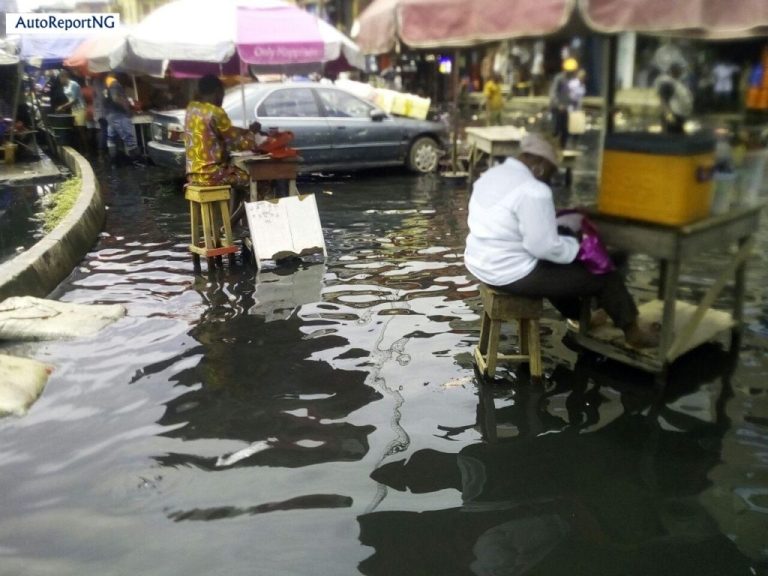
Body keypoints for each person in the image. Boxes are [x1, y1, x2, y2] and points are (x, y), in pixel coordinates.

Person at [464, 132, 659, 349]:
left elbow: (510, 217)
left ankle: (580, 316)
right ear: (540, 164)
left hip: (481, 263)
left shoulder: (493, 175)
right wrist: (582, 250)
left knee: (557, 266)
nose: (550, 178)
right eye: (551, 171)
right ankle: (633, 333)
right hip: (509, 273)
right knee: (604, 275)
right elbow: (543, 247)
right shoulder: (534, 190)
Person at [184, 74, 293, 225]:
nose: (221, 99)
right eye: (222, 94)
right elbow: (236, 143)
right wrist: (252, 135)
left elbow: (223, 131)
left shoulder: (192, 109)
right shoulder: (216, 112)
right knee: (260, 184)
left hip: (193, 174)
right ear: (217, 92)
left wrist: (246, 131)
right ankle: (230, 225)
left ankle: (230, 223)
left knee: (238, 181)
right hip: (212, 175)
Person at [104, 73, 142, 163]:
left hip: (111, 114)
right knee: (128, 138)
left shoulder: (108, 85)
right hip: (119, 115)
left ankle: (113, 160)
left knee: (111, 137)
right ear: (120, 76)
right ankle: (136, 161)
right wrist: (126, 108)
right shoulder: (115, 84)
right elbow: (115, 98)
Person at [653, 63, 693, 134]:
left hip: (678, 117)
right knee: (671, 138)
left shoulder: (676, 82)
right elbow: (663, 100)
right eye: (678, 70)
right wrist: (669, 115)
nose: (681, 72)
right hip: (672, 118)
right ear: (673, 70)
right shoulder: (667, 83)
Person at [549, 58, 578, 149]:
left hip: (567, 109)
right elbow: (553, 93)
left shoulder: (573, 79)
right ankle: (552, 147)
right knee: (556, 129)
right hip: (557, 108)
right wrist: (558, 105)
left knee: (565, 130)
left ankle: (562, 147)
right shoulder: (559, 78)